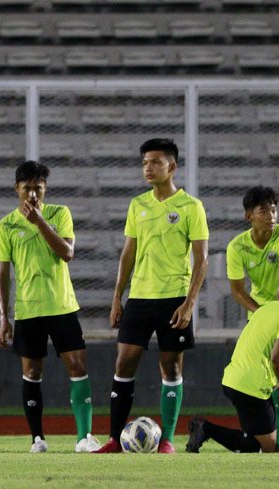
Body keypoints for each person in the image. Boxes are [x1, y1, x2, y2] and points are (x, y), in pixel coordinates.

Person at [94, 138, 209, 454]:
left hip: (174, 298)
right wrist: (117, 297)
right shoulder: (137, 205)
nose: (148, 168)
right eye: (145, 162)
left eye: (155, 162)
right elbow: (128, 254)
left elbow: (202, 260)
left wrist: (189, 303)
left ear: (172, 166)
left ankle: (168, 439)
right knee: (124, 363)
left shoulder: (191, 207)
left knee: (171, 368)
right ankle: (116, 439)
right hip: (140, 298)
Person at [0, 160, 99, 453]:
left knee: (78, 368)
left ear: (45, 189)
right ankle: (37, 439)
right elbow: (2, 274)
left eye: (37, 189)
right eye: (27, 188)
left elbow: (67, 253)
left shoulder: (59, 214)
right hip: (28, 310)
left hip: (62, 306)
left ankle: (83, 438)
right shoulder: (5, 226)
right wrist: (3, 319)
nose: (32, 195)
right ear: (17, 189)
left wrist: (39, 221)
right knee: (32, 373)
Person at [186, 292, 279, 454]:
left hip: (234, 379)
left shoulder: (274, 307)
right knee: (265, 447)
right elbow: (278, 358)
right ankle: (205, 428)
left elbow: (278, 356)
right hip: (252, 387)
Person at [226, 185, 279, 450]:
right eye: (264, 210)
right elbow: (237, 290)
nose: (272, 215)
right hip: (258, 309)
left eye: (274, 209)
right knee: (265, 372)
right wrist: (262, 314)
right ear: (249, 215)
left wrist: (278, 316)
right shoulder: (237, 246)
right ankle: (275, 427)